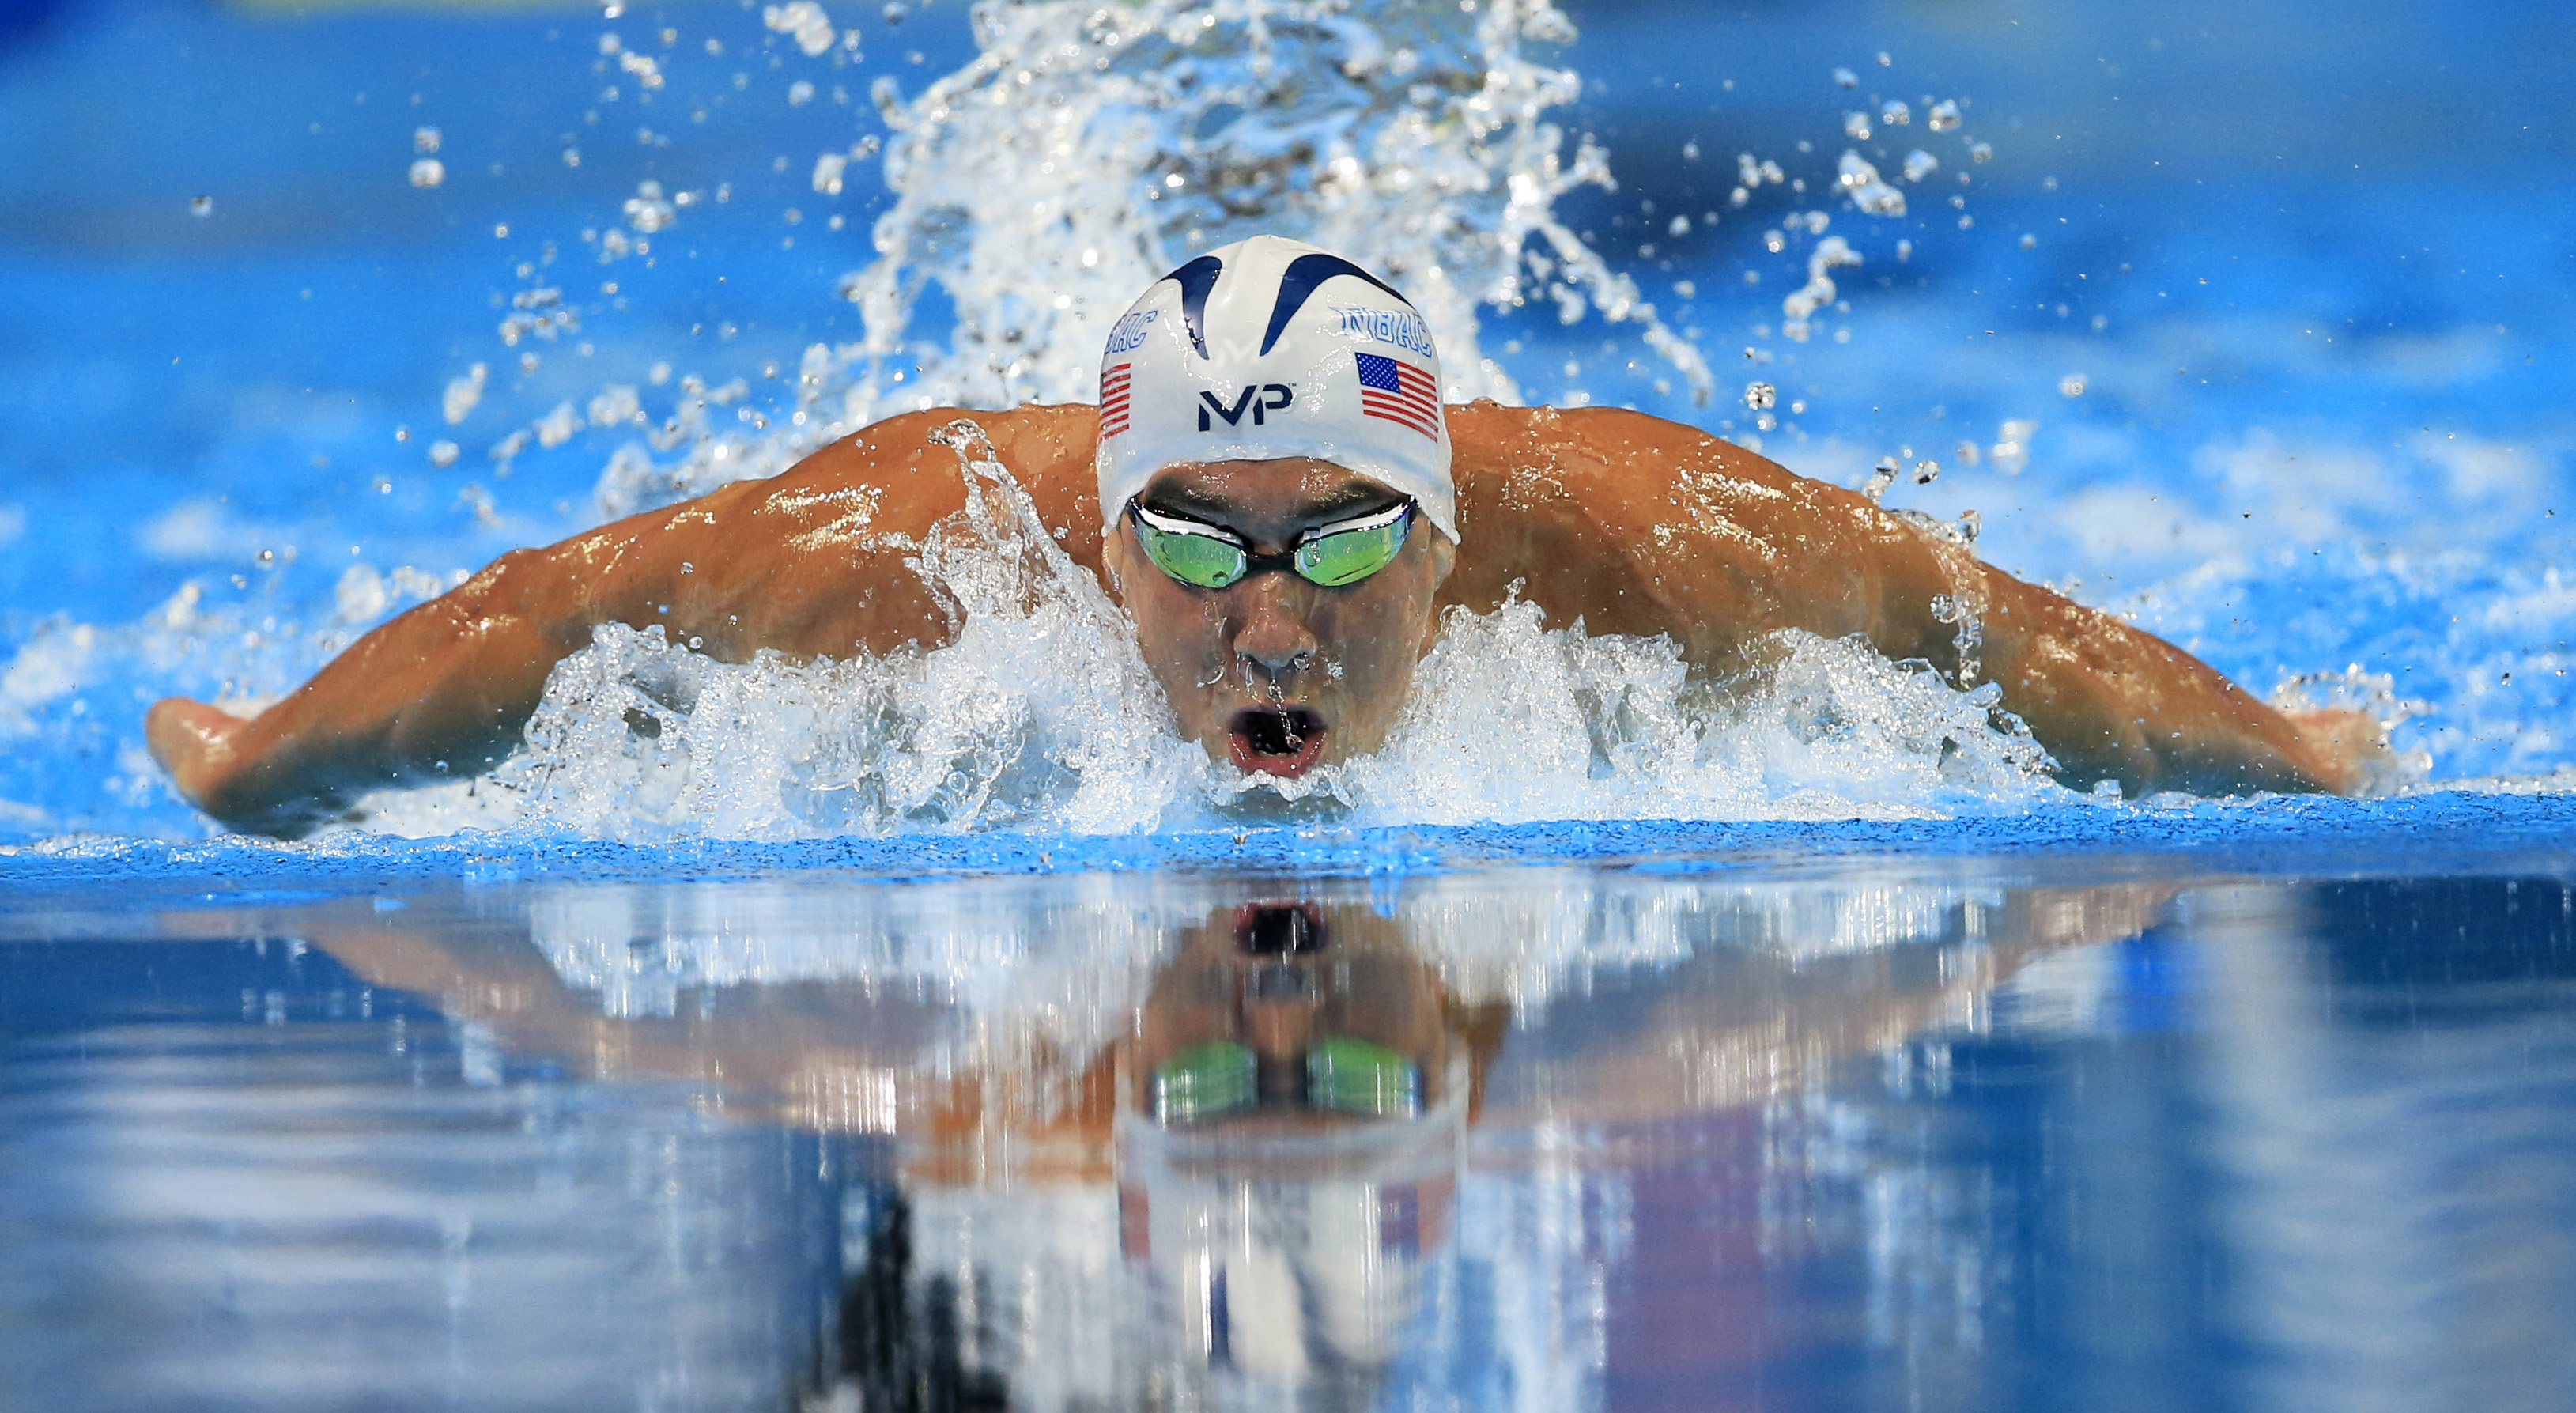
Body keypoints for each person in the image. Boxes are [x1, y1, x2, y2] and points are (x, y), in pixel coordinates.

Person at [146, 235, 2379, 835]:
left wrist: (2275, 755)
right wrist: (271, 763)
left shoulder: (1642, 537)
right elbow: (561, 615)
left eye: (1338, 542)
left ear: (1446, 532)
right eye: (1196, 551)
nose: (1271, 615)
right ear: (1102, 551)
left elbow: (1977, 629)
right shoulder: (920, 544)